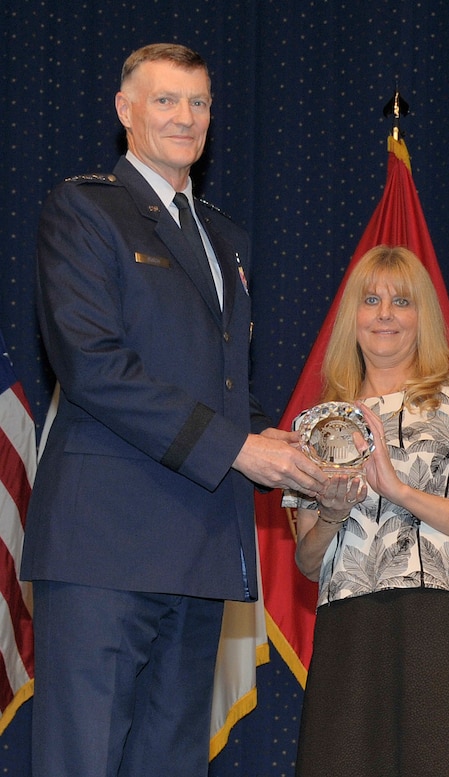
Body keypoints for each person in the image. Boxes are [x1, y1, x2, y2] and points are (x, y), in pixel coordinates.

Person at [22, 43, 330, 776]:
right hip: (104, 547)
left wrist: (281, 446)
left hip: (198, 547)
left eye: (198, 103)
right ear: (126, 112)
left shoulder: (226, 237)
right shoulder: (85, 208)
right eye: (166, 101)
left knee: (172, 763)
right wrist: (239, 448)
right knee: (82, 760)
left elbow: (225, 388)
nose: (185, 118)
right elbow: (96, 368)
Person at [286, 245, 449, 777]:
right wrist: (330, 512)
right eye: (371, 300)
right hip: (350, 627)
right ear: (352, 316)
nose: (385, 314)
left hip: (439, 627)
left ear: (426, 317)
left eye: (402, 301)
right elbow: (307, 563)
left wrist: (398, 490)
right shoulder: (318, 425)